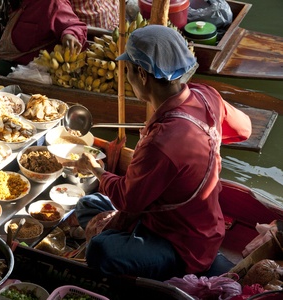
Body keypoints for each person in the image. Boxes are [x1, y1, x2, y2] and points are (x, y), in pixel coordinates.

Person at [63, 25, 252, 280]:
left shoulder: (163, 142)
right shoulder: (206, 96)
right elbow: (244, 130)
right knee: (88, 203)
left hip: (182, 245)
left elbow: (128, 201)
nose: (127, 77)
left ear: (141, 74)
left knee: (100, 250)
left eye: (127, 70)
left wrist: (96, 169)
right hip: (187, 221)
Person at [0, 0, 87, 76]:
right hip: (4, 57)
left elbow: (74, 25)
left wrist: (70, 34)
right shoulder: (18, 4)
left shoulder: (51, 3)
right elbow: (9, 35)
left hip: (21, 68)